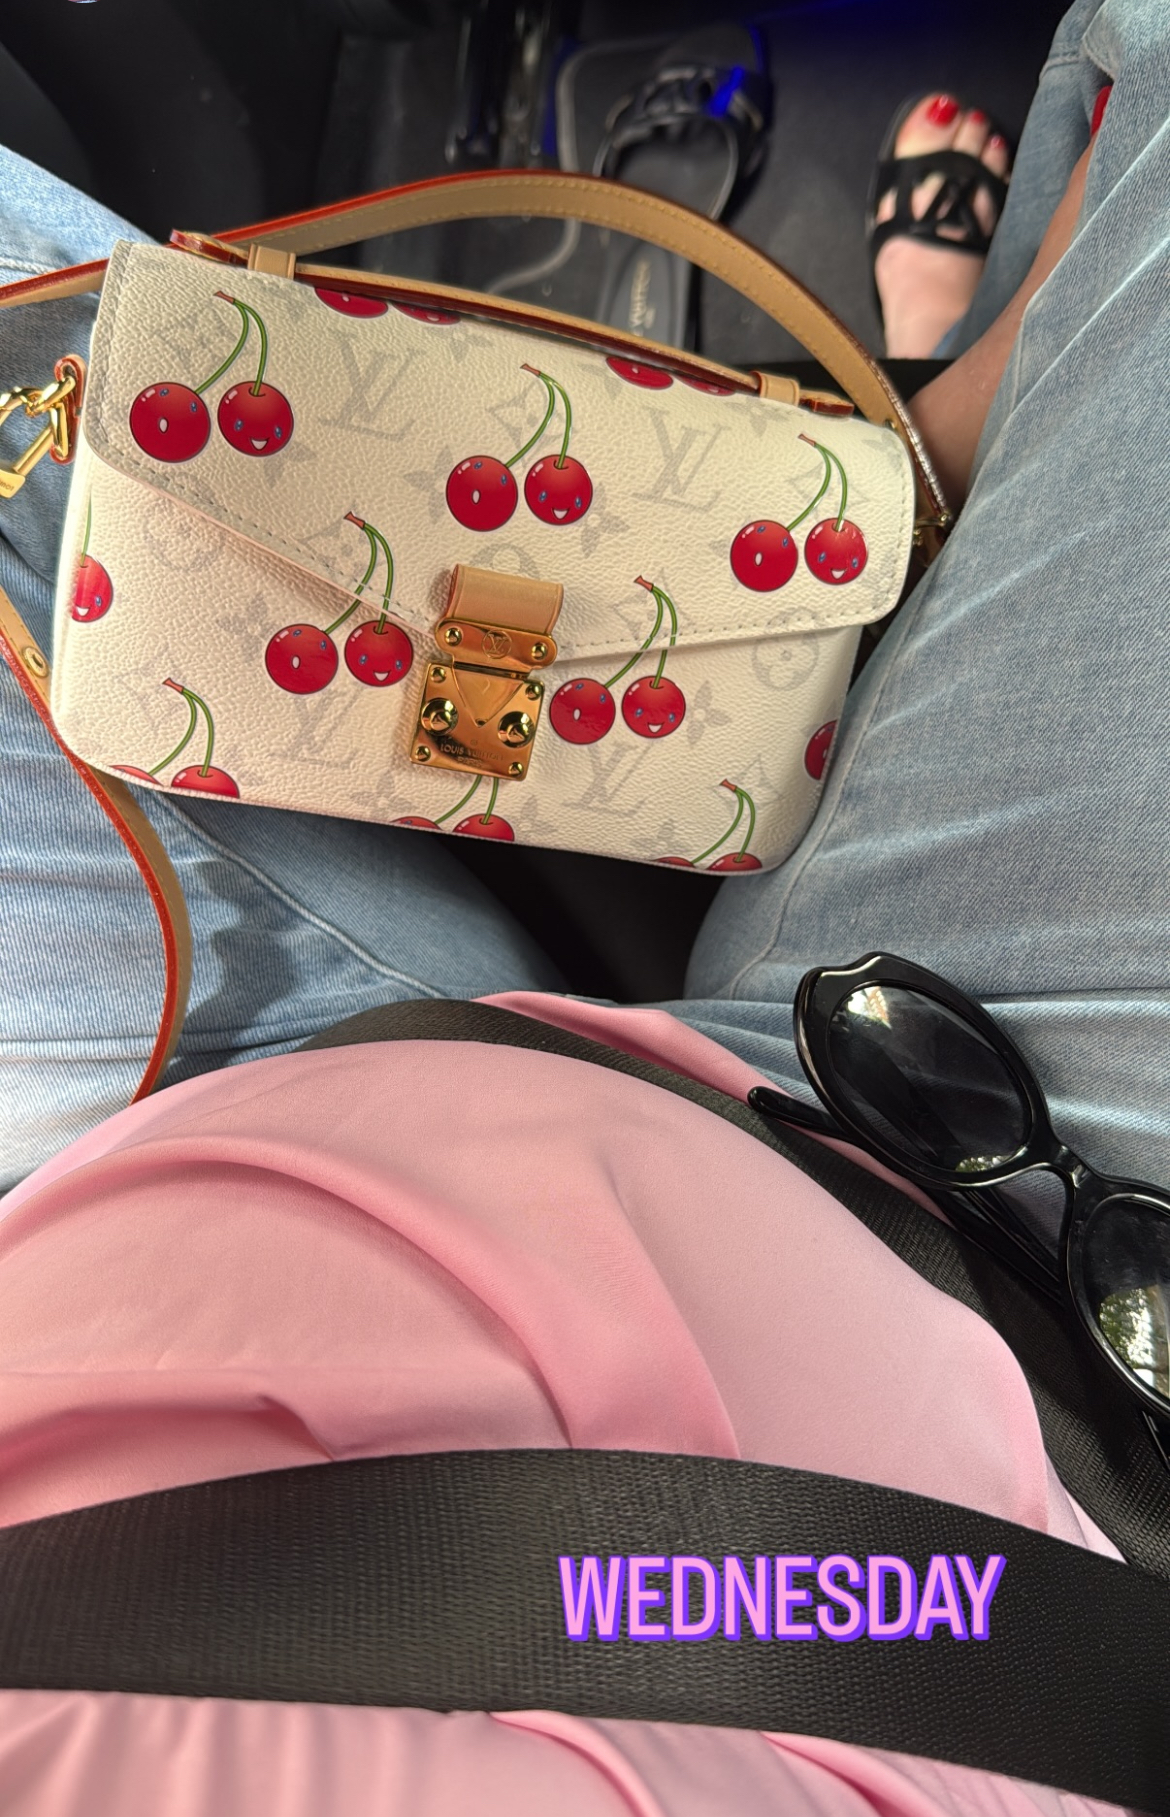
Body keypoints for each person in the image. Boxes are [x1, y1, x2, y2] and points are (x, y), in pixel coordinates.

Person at [0, 0, 1161, 1809]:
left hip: (140, 1213)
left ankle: (890, 489)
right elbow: (782, 1619)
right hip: (1007, 1290)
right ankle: (879, 497)